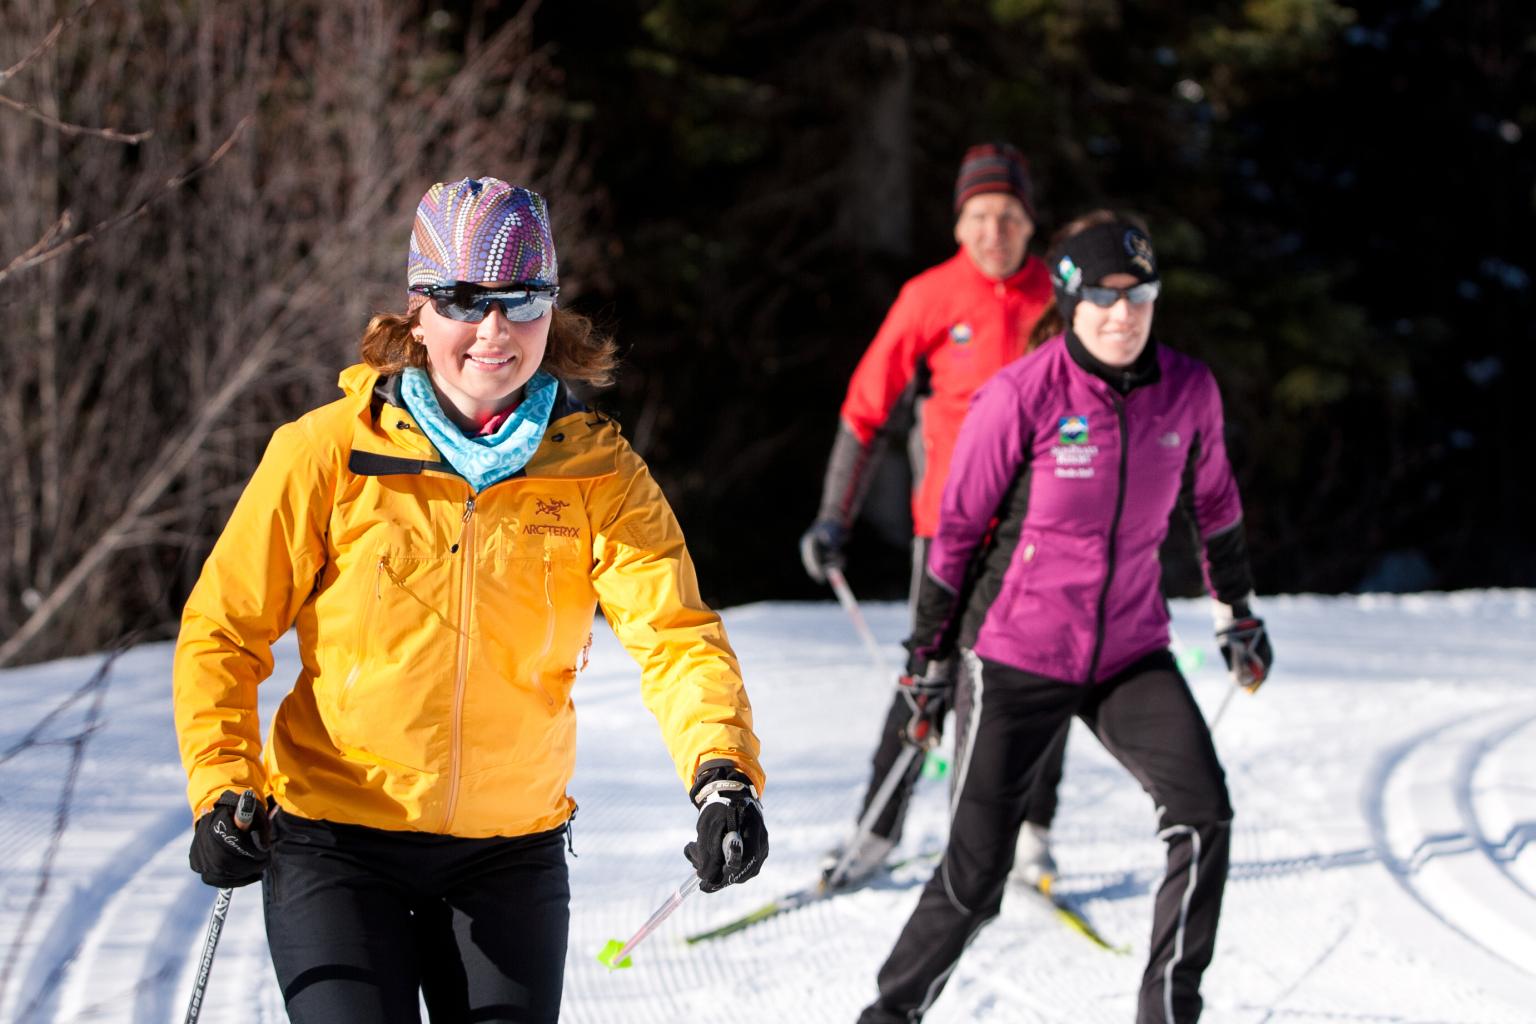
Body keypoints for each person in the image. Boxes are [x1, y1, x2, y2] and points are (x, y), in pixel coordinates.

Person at [172, 177, 768, 1023]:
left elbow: (674, 633)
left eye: (521, 299)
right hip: (336, 843)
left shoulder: (597, 472)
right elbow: (223, 631)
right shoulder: (326, 454)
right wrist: (223, 786)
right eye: (464, 299)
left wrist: (722, 776)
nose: (495, 330)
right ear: (419, 311)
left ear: (551, 311)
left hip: (507, 854)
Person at [857, 211, 1274, 1024]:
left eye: (1141, 296)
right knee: (975, 881)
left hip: (1129, 650)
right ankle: (889, 1015)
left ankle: (1167, 1012)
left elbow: (1216, 504)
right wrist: (929, 657)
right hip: (1016, 656)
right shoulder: (1021, 393)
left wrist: (1239, 615)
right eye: (1107, 298)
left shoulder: (1187, 391)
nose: (1125, 315)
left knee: (1204, 817)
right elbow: (957, 534)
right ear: (1071, 299)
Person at [799, 142, 1064, 888]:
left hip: (1046, 532)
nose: (993, 231)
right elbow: (865, 407)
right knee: (929, 675)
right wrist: (833, 516)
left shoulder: (1060, 296)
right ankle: (874, 834)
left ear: (1029, 222)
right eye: (979, 216)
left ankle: (1032, 833)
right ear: (959, 223)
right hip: (947, 529)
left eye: (1008, 216)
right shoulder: (931, 295)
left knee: (1042, 675)